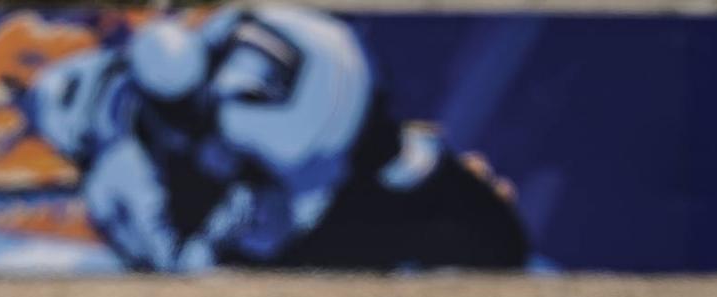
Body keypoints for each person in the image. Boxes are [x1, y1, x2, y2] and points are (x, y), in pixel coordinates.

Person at [28, 5, 528, 272]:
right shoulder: (122, 171)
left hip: (330, 173)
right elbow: (178, 262)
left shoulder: (231, 59)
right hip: (307, 199)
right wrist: (229, 219)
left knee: (415, 205)